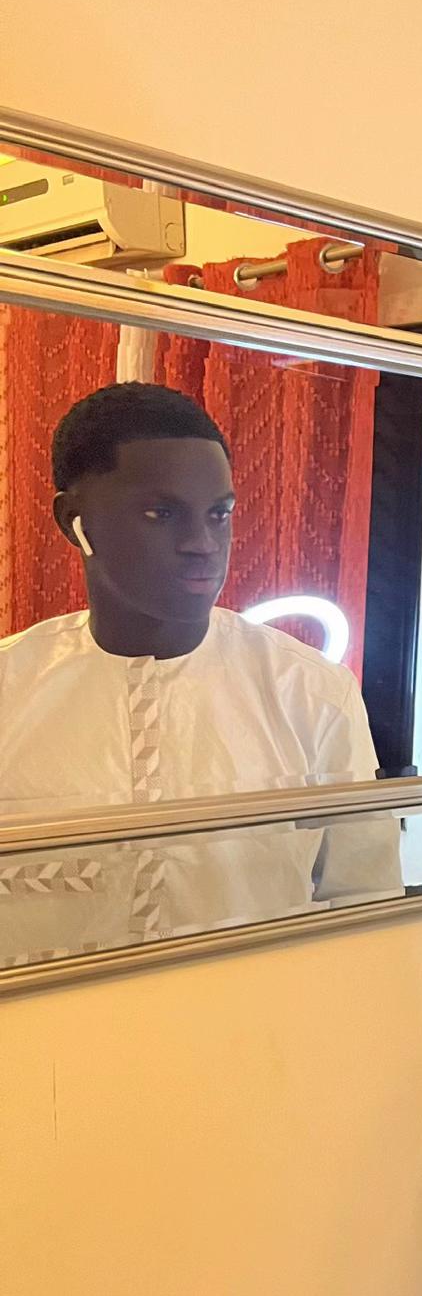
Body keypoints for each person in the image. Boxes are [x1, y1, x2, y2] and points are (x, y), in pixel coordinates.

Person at [0, 382, 401, 966]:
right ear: (74, 521)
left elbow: (365, 905)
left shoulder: (310, 694)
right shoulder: (10, 691)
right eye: (160, 514)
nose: (201, 544)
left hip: (263, 1019)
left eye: (219, 514)